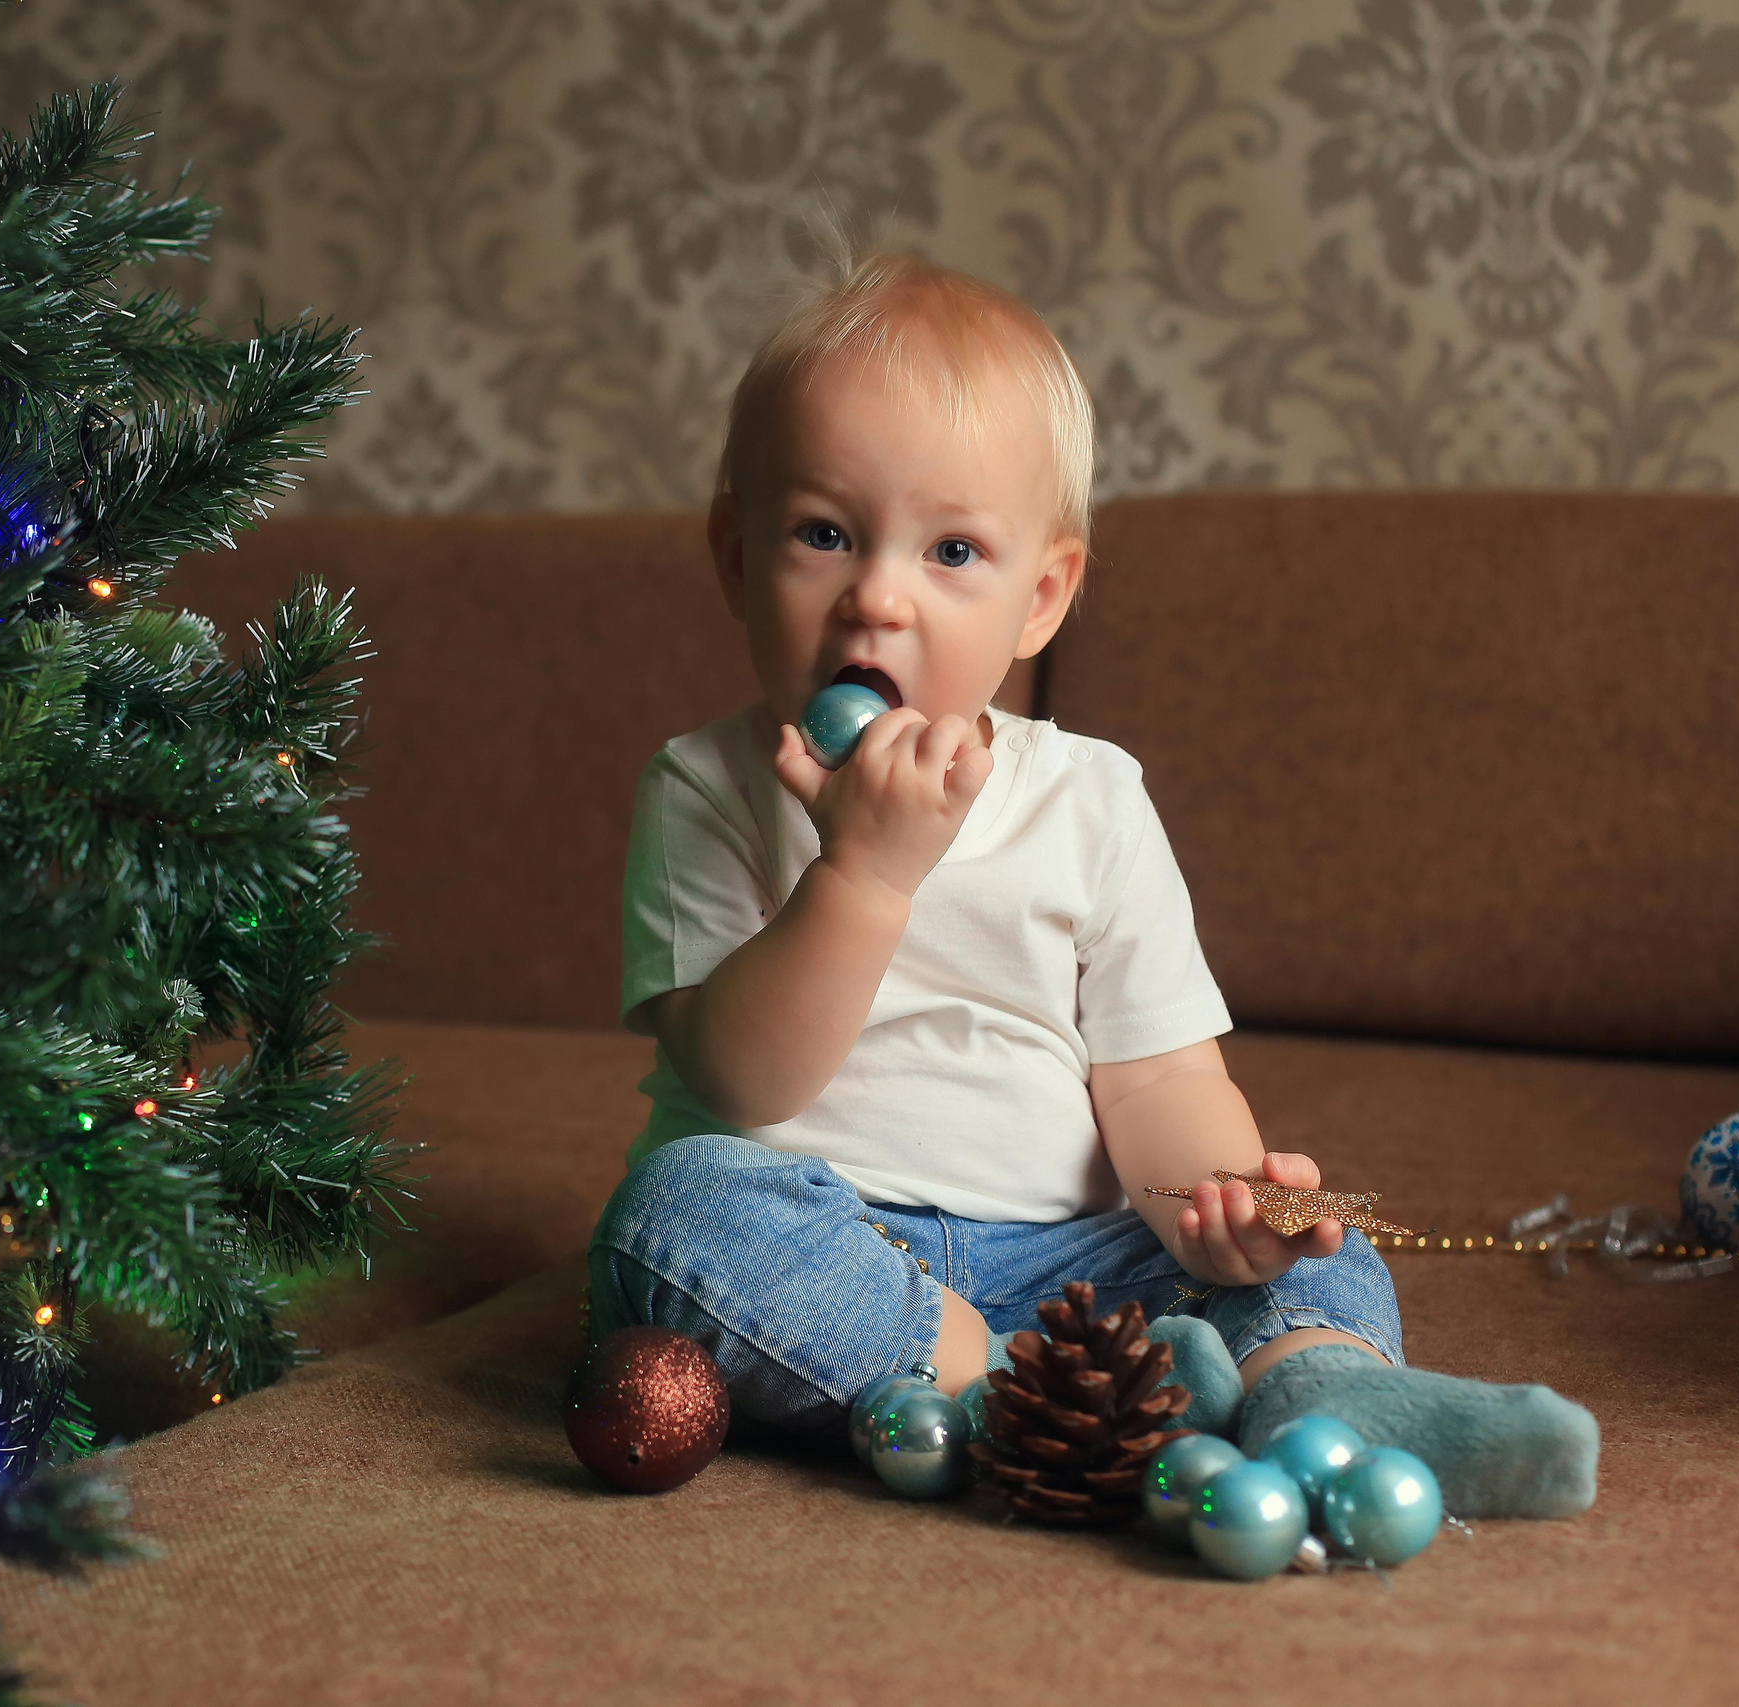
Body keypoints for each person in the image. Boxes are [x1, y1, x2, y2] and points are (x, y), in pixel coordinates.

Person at [584, 251, 1595, 1519]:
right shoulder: (705, 788)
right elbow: (741, 1083)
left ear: (1039, 598)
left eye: (953, 550)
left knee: (1322, 1237)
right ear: (736, 556)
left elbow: (1160, 1074)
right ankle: (1044, 1399)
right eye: (823, 534)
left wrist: (1212, 1210)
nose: (878, 596)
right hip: (823, 1234)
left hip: (1072, 1255)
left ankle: (1320, 1388)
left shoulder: (1093, 799)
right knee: (676, 1218)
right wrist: (862, 871)